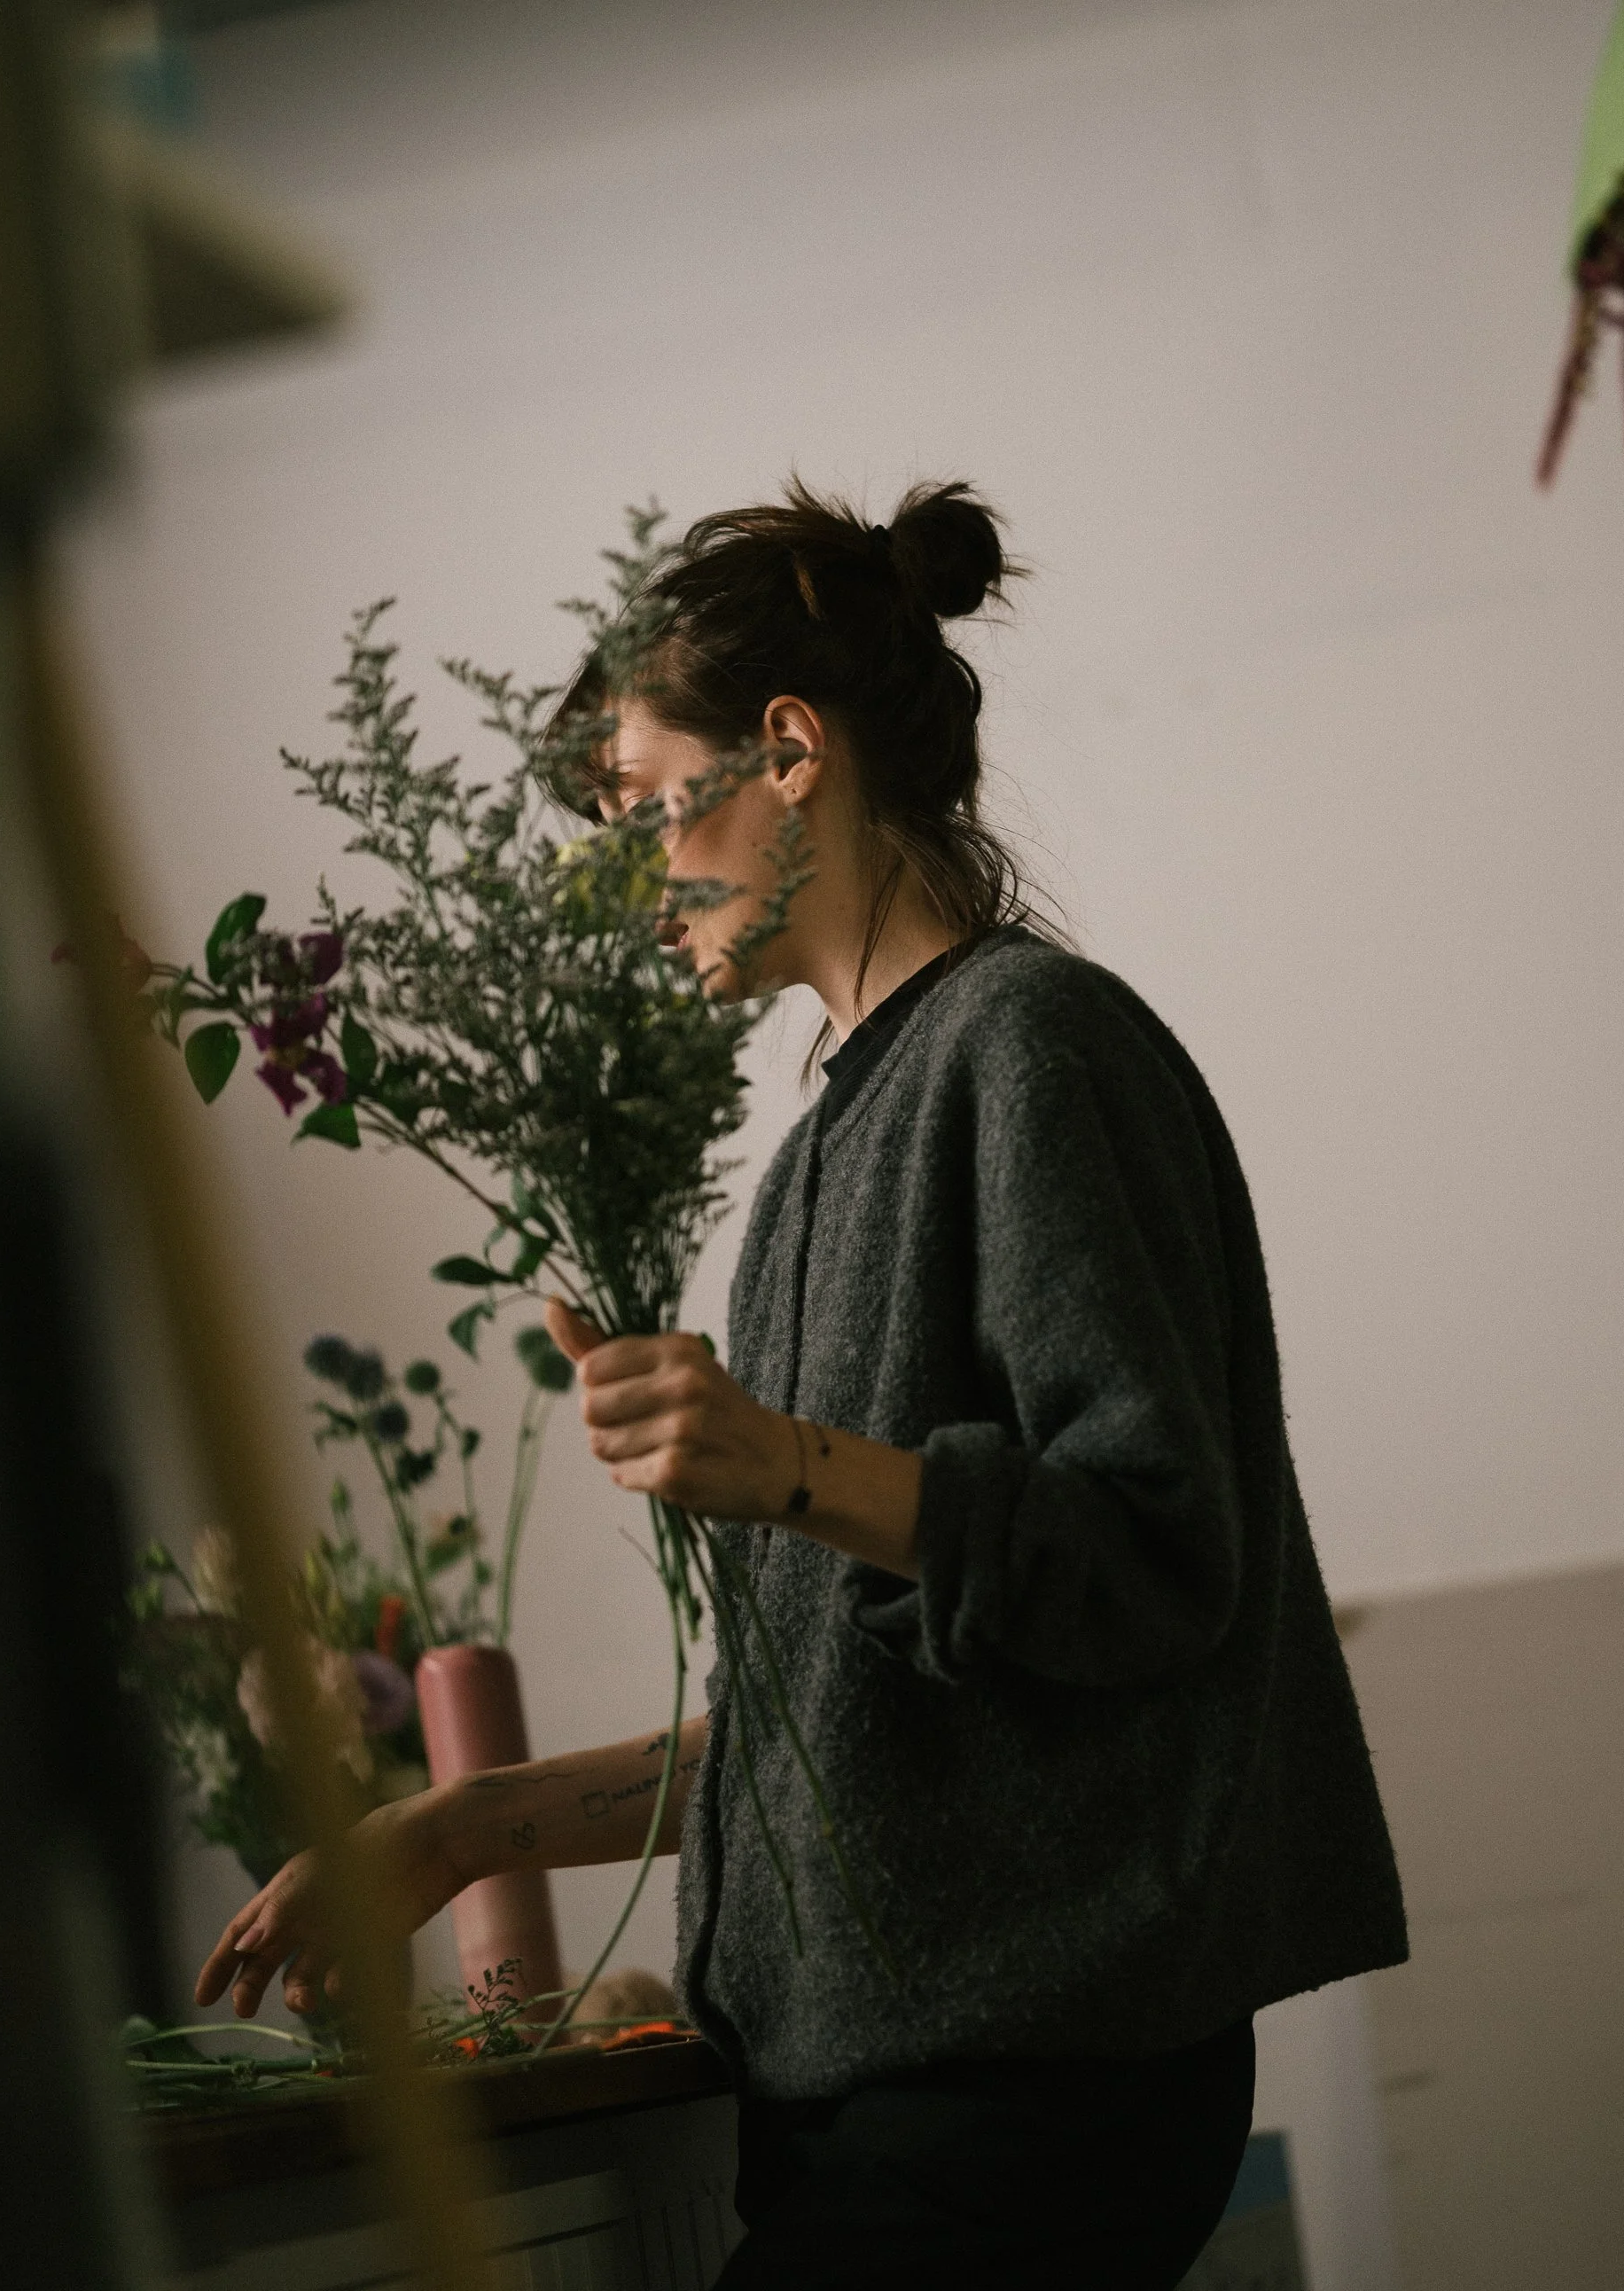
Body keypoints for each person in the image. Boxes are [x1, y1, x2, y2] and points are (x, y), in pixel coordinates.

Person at [199, 481, 1408, 2288]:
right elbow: (843, 1725)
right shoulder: (834, 1134)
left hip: (1024, 2086)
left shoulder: (1031, 1052)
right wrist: (458, 1826)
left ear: (786, 751)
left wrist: (781, 1465)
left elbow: (1162, 1553)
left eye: (635, 807)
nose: (625, 882)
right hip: (918, 2081)